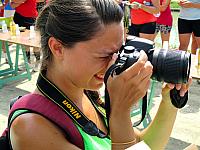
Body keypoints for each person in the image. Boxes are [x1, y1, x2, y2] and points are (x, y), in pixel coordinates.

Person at [9, 0, 192, 150]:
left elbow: (142, 146)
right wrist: (120, 112)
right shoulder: (31, 128)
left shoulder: (87, 92)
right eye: (104, 55)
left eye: (120, 51)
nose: (114, 63)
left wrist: (169, 103)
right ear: (58, 48)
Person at [10, 0, 41, 71]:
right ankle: (28, 62)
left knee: (34, 41)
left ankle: (38, 62)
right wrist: (17, 2)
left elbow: (18, 1)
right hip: (18, 17)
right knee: (23, 41)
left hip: (30, 18)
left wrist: (16, 2)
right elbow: (12, 5)